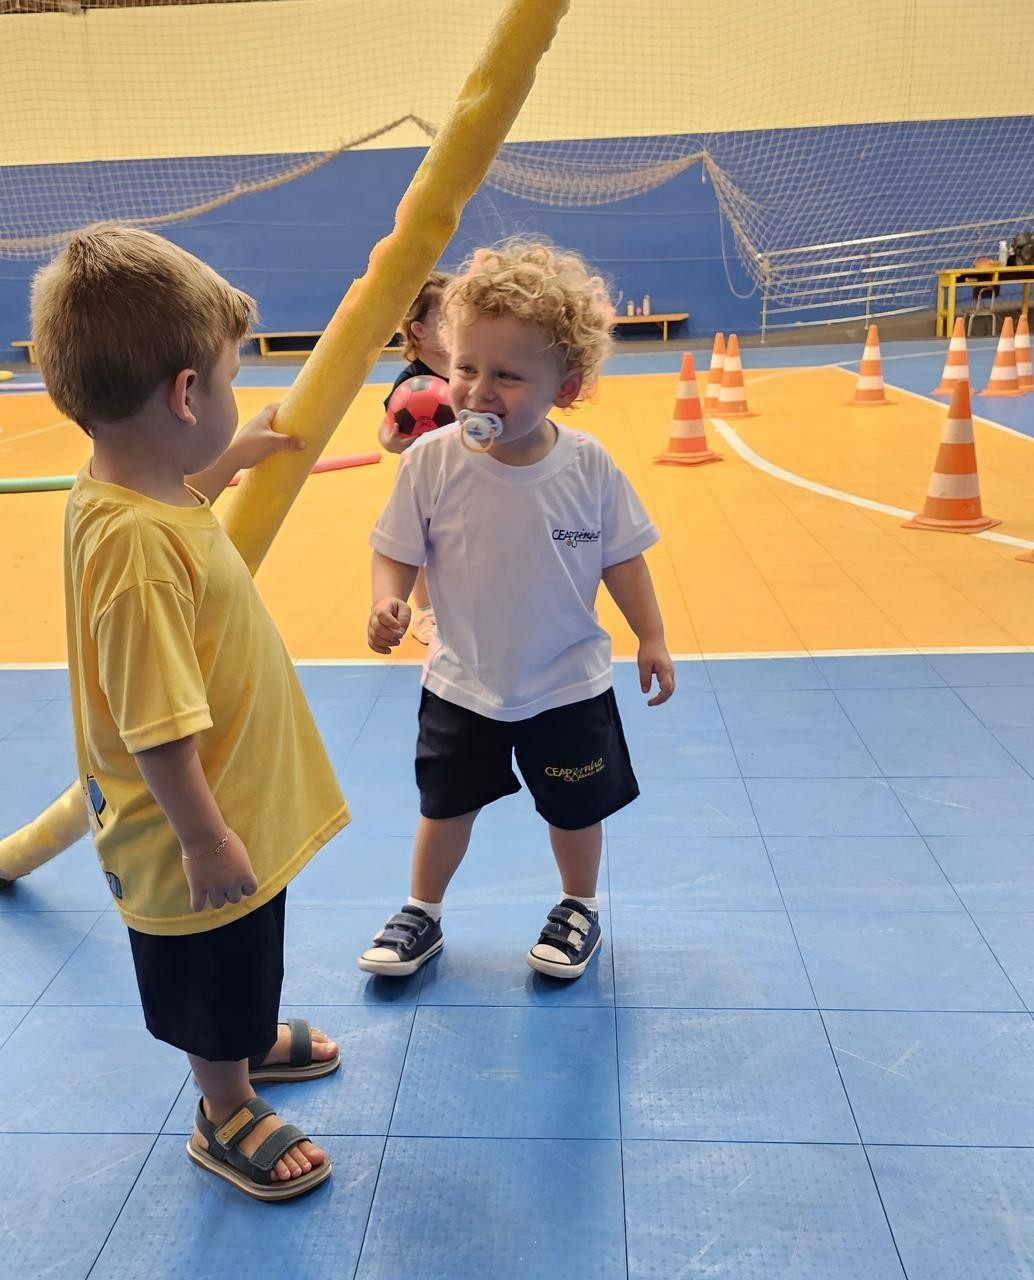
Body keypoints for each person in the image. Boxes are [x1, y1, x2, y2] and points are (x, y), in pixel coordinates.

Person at [31, 224, 349, 1201]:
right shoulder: (135, 552)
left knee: (247, 955)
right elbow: (157, 727)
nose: (236, 396)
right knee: (213, 972)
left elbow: (175, 497)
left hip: (225, 806)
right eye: (230, 381)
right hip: (189, 832)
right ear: (184, 395)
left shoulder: (133, 488)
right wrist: (205, 840)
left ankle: (243, 1043)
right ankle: (224, 1103)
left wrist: (231, 458)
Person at [360, 240, 675, 981]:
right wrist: (387, 599)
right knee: (445, 805)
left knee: (575, 808)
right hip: (462, 679)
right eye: (467, 368)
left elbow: (624, 559)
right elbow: (395, 549)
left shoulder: (588, 466)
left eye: (507, 375)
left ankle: (579, 905)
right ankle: (422, 911)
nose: (479, 391)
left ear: (567, 386)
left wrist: (651, 635)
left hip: (567, 683)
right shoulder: (430, 461)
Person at [377, 271, 454, 645]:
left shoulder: (467, 370)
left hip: (464, 469)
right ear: (419, 330)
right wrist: (393, 442)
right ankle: (426, 612)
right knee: (424, 541)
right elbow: (387, 431)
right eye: (446, 319)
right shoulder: (413, 383)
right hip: (425, 475)